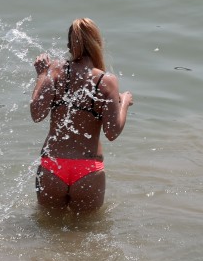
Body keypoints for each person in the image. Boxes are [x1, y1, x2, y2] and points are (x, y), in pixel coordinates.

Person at [30, 18, 133, 214]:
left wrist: (41, 74)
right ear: (98, 43)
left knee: (46, 229)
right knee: (86, 234)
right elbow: (112, 132)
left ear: (70, 45)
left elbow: (36, 114)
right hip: (88, 169)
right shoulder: (106, 81)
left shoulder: (55, 72)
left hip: (52, 165)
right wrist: (125, 102)